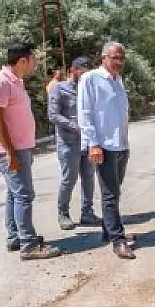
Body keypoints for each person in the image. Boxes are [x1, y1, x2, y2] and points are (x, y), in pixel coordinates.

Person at [0, 43, 60, 260]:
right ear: (22, 61)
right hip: (11, 150)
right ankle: (28, 244)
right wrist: (10, 152)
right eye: (33, 59)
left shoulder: (16, 82)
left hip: (20, 147)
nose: (35, 63)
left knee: (14, 194)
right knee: (24, 195)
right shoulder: (0, 82)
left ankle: (16, 237)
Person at [78, 42, 134, 260]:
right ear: (103, 58)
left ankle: (107, 231)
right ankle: (118, 241)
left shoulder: (118, 81)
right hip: (103, 146)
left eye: (122, 58)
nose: (119, 62)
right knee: (110, 194)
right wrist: (93, 143)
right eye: (115, 58)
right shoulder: (90, 79)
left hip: (121, 145)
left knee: (114, 192)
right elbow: (84, 113)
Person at [48, 56, 101, 231]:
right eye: (82, 71)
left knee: (88, 178)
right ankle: (63, 213)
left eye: (87, 72)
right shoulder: (59, 89)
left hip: (87, 143)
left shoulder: (89, 88)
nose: (85, 75)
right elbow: (53, 115)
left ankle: (87, 213)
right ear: (73, 70)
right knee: (69, 179)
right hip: (68, 143)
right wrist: (75, 126)